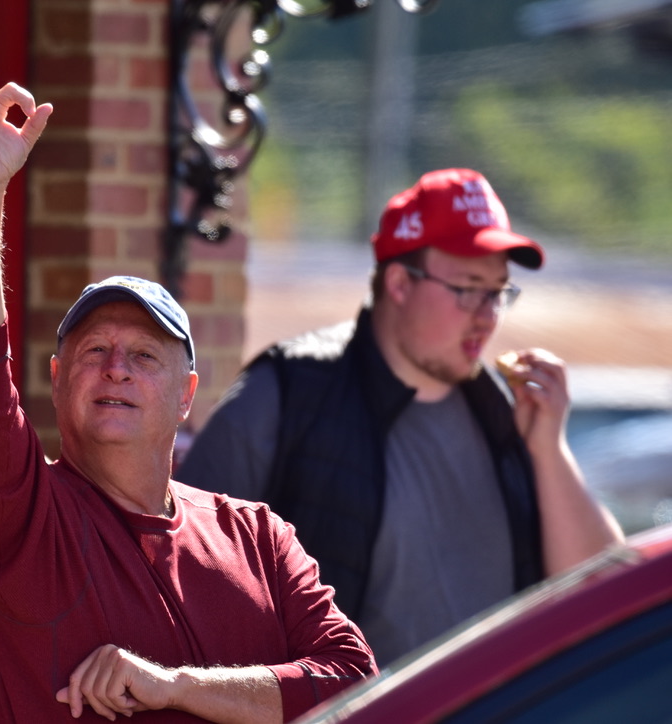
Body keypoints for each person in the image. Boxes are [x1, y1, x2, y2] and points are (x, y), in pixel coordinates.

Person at [0, 28, 376, 724]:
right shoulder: (22, 519)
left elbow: (354, 681)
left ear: (187, 396)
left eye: (144, 356)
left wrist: (176, 686)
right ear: (57, 379)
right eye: (93, 352)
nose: (116, 367)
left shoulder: (257, 538)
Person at [178, 168, 625, 666]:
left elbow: (603, 590)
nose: (487, 314)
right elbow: (181, 571)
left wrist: (550, 450)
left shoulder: (504, 412)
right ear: (398, 283)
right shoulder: (289, 394)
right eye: (468, 288)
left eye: (498, 291)